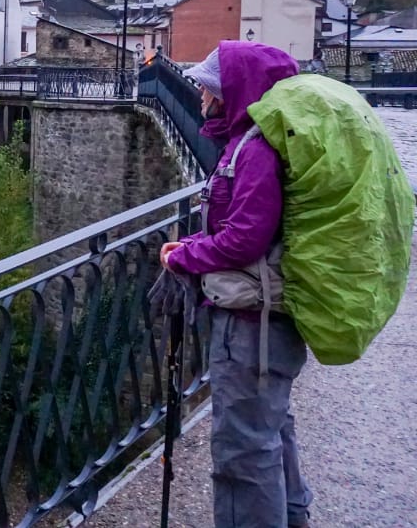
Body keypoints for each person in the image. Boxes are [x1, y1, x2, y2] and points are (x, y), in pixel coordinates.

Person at [160, 41, 309, 528]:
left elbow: (245, 238)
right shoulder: (251, 144)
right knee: (269, 434)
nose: (200, 92)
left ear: (235, 91)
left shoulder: (256, 151)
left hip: (252, 329)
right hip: (262, 323)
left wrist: (185, 255)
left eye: (209, 84)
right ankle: (292, 517)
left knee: (242, 454)